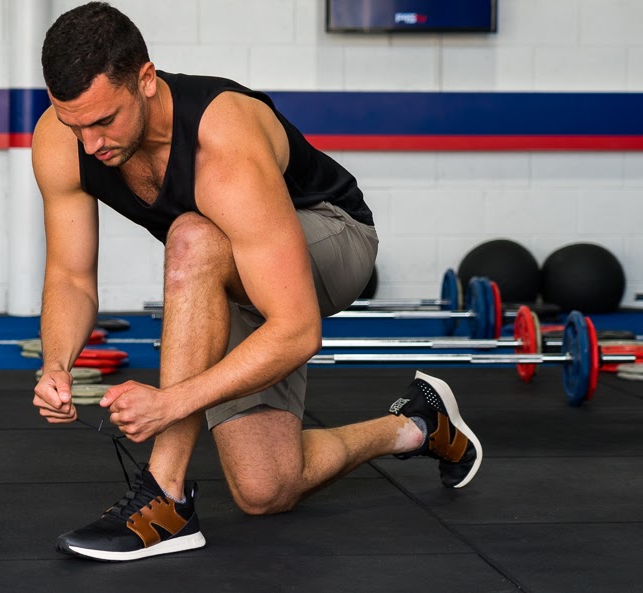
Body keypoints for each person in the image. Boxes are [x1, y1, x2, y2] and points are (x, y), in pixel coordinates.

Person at [31, 1, 483, 563]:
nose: (91, 143)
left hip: (333, 238)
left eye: (104, 121)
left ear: (146, 79)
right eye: (75, 124)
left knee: (192, 236)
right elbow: (71, 276)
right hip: (232, 267)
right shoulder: (61, 138)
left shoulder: (223, 141)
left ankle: (165, 499)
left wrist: (171, 402)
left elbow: (296, 330)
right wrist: (57, 363)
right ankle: (419, 426)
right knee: (265, 488)